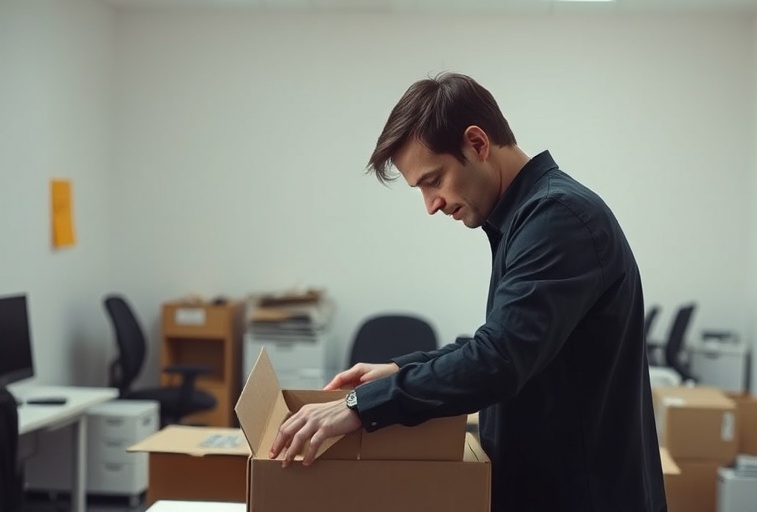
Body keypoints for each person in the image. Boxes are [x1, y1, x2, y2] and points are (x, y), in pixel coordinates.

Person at [270, 72, 667, 512]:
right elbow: (506, 343)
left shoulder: (557, 217)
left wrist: (361, 405)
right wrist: (400, 368)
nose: (431, 204)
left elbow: (498, 361)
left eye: (432, 180)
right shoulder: (524, 220)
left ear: (477, 143)